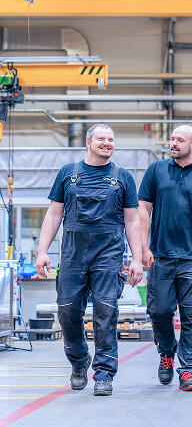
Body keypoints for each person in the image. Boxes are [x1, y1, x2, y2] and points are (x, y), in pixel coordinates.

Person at [36, 124, 143, 397]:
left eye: (111, 139)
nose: (107, 143)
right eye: (101, 139)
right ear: (88, 142)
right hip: (73, 254)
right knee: (67, 311)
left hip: (108, 255)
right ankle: (80, 360)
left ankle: (104, 374)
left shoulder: (123, 178)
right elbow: (53, 214)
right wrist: (42, 251)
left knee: (106, 313)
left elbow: (132, 221)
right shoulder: (67, 174)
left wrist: (137, 258)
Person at [138, 125, 192, 392]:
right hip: (161, 256)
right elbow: (143, 209)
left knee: (191, 316)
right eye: (172, 139)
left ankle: (187, 370)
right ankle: (166, 352)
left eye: (180, 140)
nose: (174, 144)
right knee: (159, 311)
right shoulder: (156, 170)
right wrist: (143, 247)